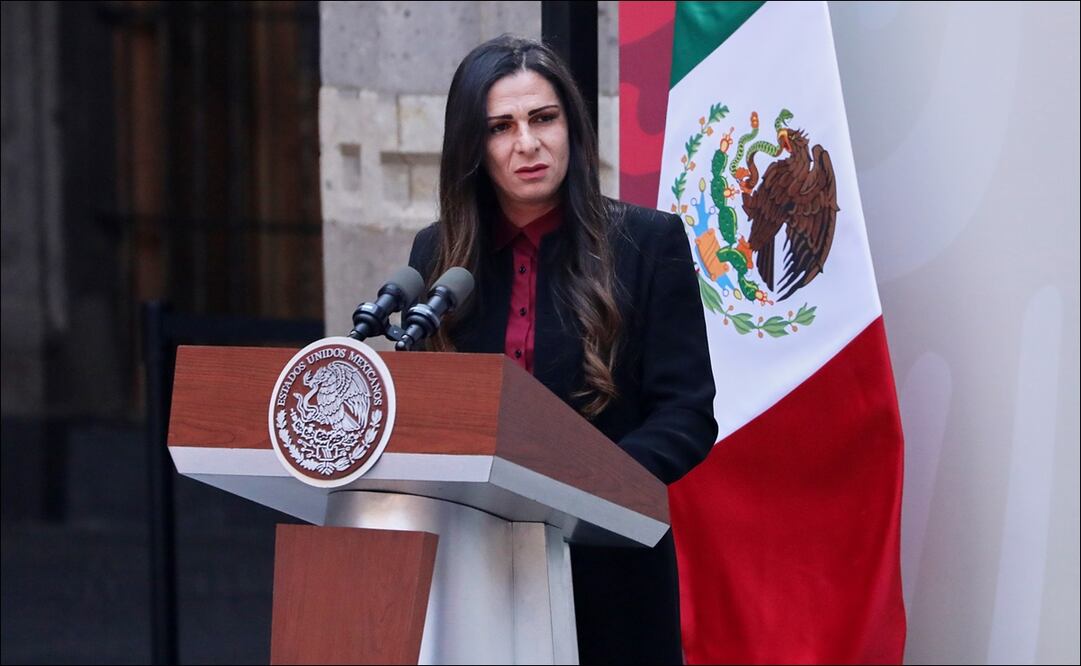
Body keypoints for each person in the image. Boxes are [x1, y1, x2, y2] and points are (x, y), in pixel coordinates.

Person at [406, 35, 717, 665]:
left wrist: (580, 490)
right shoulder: (435, 258)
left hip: (610, 568)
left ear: (572, 128)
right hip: (470, 571)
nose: (528, 143)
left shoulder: (648, 243)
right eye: (501, 127)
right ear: (473, 147)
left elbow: (686, 414)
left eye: (543, 118)